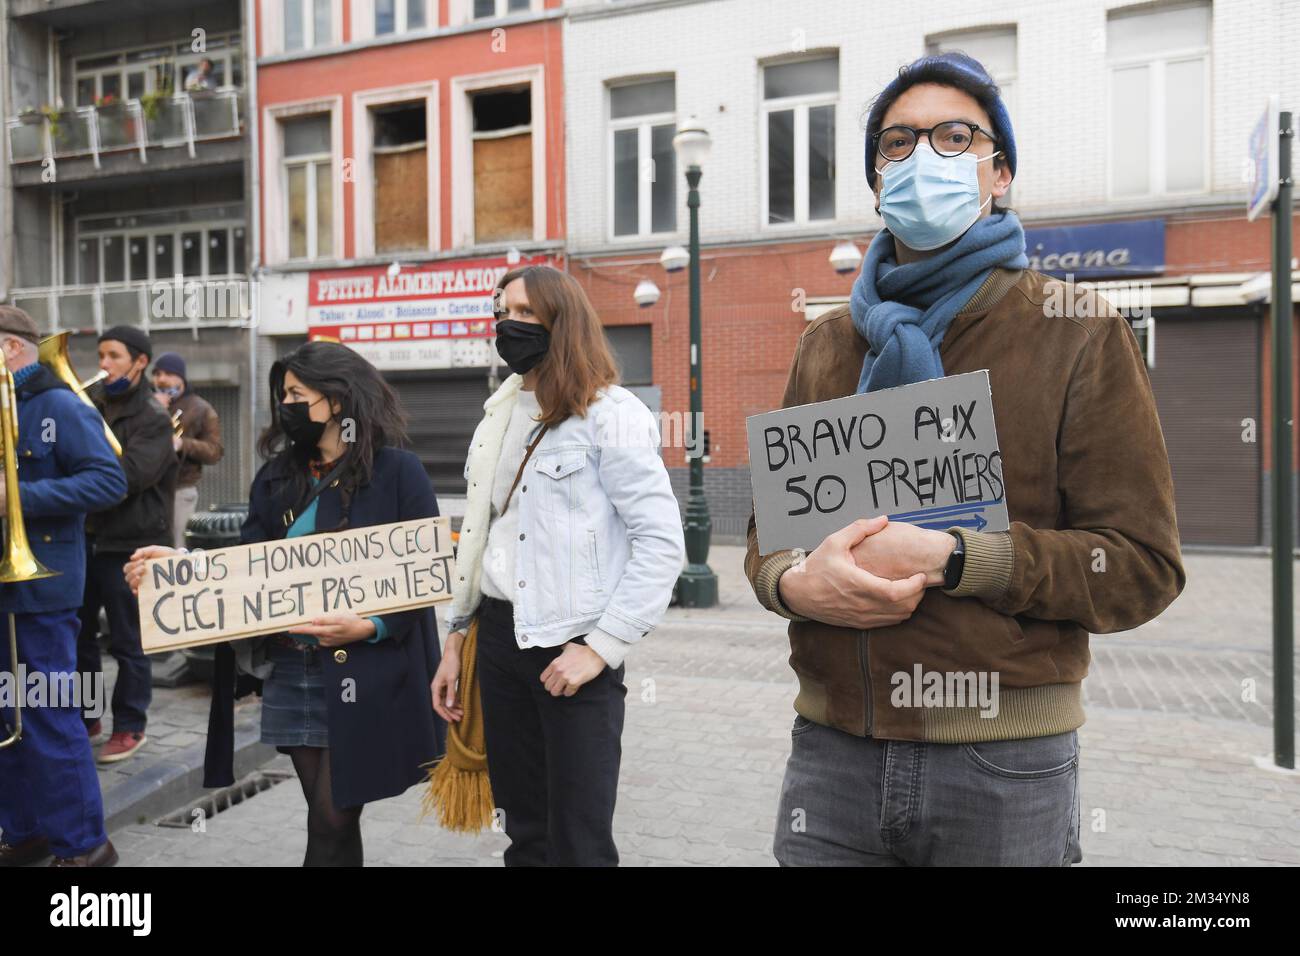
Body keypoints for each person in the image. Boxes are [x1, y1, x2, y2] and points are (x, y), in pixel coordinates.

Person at [744, 52, 1185, 866]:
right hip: (832, 755)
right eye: (897, 143)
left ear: (1000, 173)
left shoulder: (1078, 331)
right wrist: (794, 581)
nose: (923, 159)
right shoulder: (826, 344)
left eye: (955, 137)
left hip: (1003, 768)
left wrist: (958, 557)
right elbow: (768, 533)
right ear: (876, 181)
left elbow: (1141, 567)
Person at [126, 341, 445, 866]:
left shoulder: (399, 473)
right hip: (293, 672)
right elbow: (248, 569)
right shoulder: (275, 477)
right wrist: (179, 568)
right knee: (330, 820)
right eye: (283, 395)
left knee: (333, 816)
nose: (286, 406)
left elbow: (422, 578)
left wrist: (368, 627)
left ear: (337, 401)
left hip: (363, 675)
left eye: (298, 394)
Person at [430, 264, 685, 866]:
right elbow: (482, 537)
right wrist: (456, 636)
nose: (508, 323)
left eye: (525, 313)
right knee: (526, 831)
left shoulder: (611, 413)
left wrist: (600, 647)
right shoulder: (498, 414)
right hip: (496, 638)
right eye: (503, 311)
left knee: (580, 842)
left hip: (572, 647)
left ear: (561, 321)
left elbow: (660, 539)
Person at [0, 308, 126, 867]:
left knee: (49, 715)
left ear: (9, 349)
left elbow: (107, 479)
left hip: (42, 591)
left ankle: (84, 847)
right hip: (6, 593)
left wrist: (17, 499)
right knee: (9, 720)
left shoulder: (57, 405)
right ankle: (22, 833)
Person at [78, 326, 177, 763]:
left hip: (134, 543)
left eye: (114, 356)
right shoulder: (91, 404)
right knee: (79, 637)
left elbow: (129, 477)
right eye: (101, 355)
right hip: (89, 538)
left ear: (139, 361)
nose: (104, 364)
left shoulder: (153, 417)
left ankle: (131, 725)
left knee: (129, 641)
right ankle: (85, 715)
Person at [152, 352, 223, 548]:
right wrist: (154, 409)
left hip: (180, 489)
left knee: (177, 547)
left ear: (181, 377)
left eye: (169, 373)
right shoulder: (147, 403)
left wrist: (183, 444)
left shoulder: (201, 408)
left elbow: (215, 451)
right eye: (157, 374)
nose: (162, 379)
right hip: (148, 491)